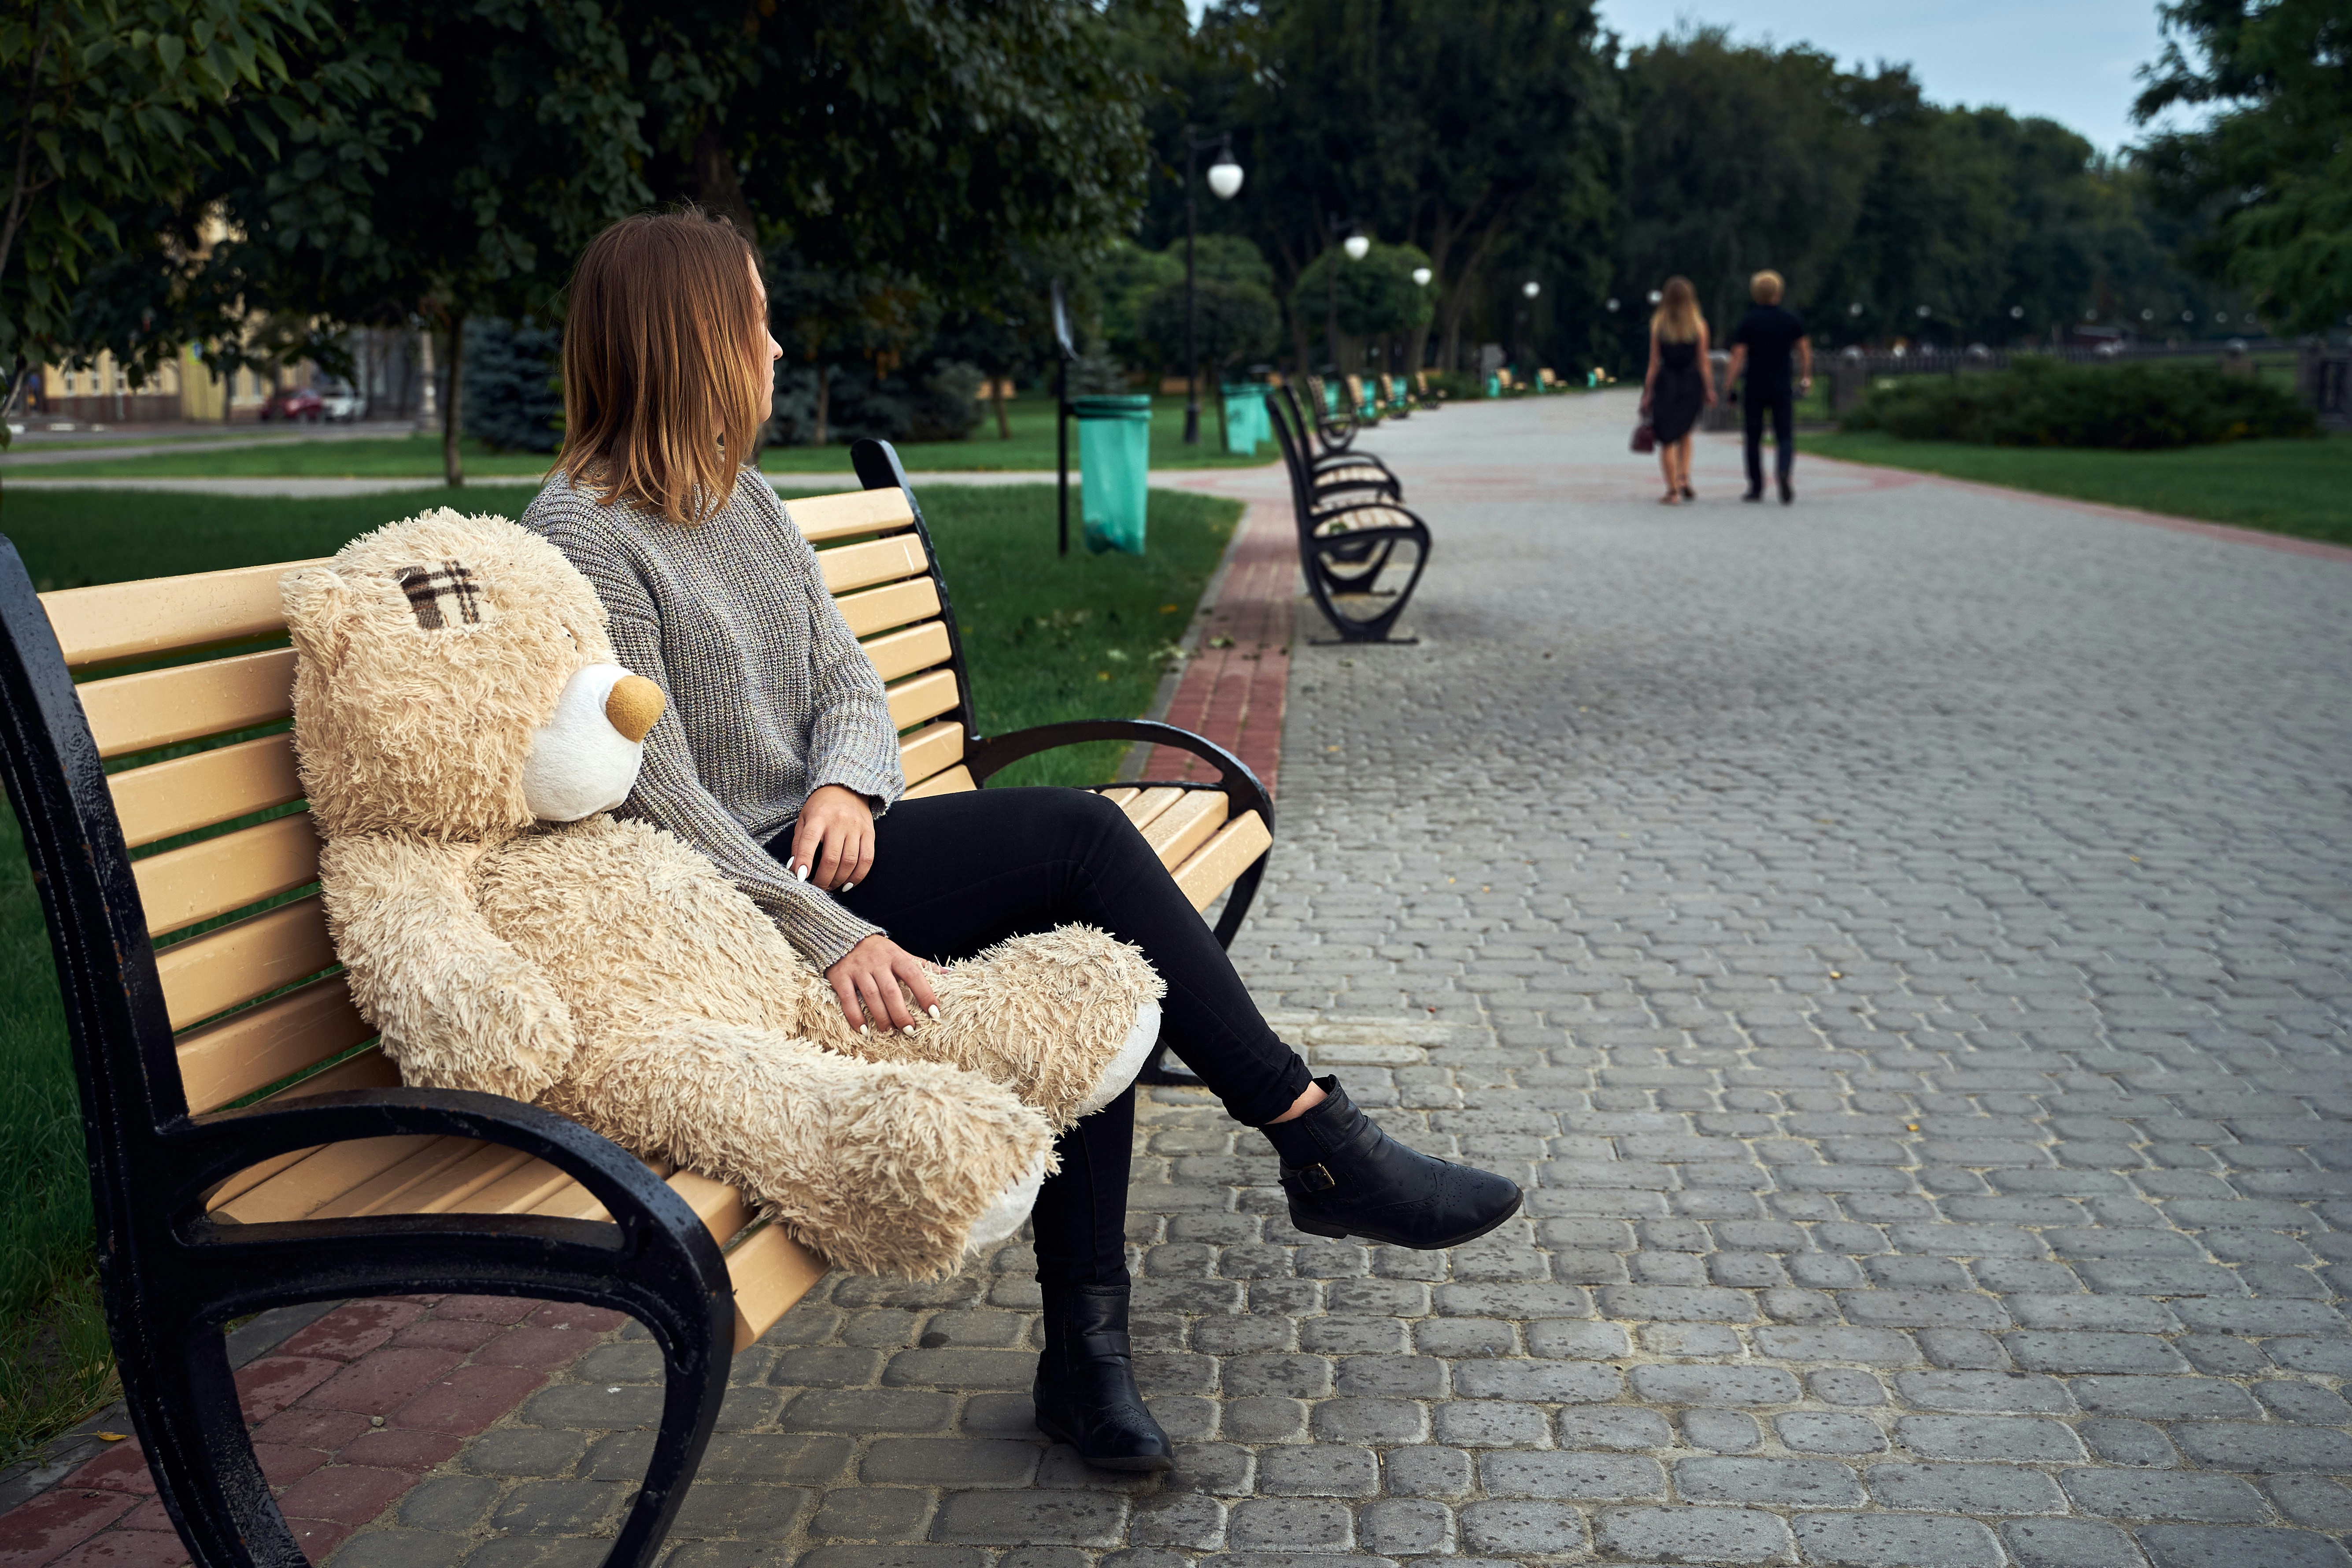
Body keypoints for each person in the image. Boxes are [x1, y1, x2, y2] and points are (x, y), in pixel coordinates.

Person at [521, 208, 1523, 1474]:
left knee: (1082, 926)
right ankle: (1316, 1141)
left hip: (826, 845)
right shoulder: (582, 538)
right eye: (755, 322)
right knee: (1079, 841)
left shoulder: (743, 498)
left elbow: (849, 682)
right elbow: (654, 800)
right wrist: (835, 931)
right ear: (689, 344)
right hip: (739, 908)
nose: (776, 348)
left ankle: (1089, 1356)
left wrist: (847, 785)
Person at [1725, 270, 1812, 504]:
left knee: (1753, 437)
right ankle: (1784, 472)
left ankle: (1756, 487)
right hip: (1781, 384)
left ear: (1755, 294)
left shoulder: (1749, 321)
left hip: (1755, 385)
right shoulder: (1790, 320)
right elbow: (1804, 349)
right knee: (1785, 434)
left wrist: (1729, 385)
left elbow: (1739, 355)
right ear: (1779, 293)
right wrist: (1806, 377)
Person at [1639, 276, 1714, 503]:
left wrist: (1647, 392)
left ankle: (1672, 491)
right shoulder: (1700, 325)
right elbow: (1703, 361)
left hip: (1667, 382)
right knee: (1685, 432)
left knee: (1667, 439)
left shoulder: (1659, 325)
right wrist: (1710, 389)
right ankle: (1684, 478)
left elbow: (1654, 363)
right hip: (1691, 382)